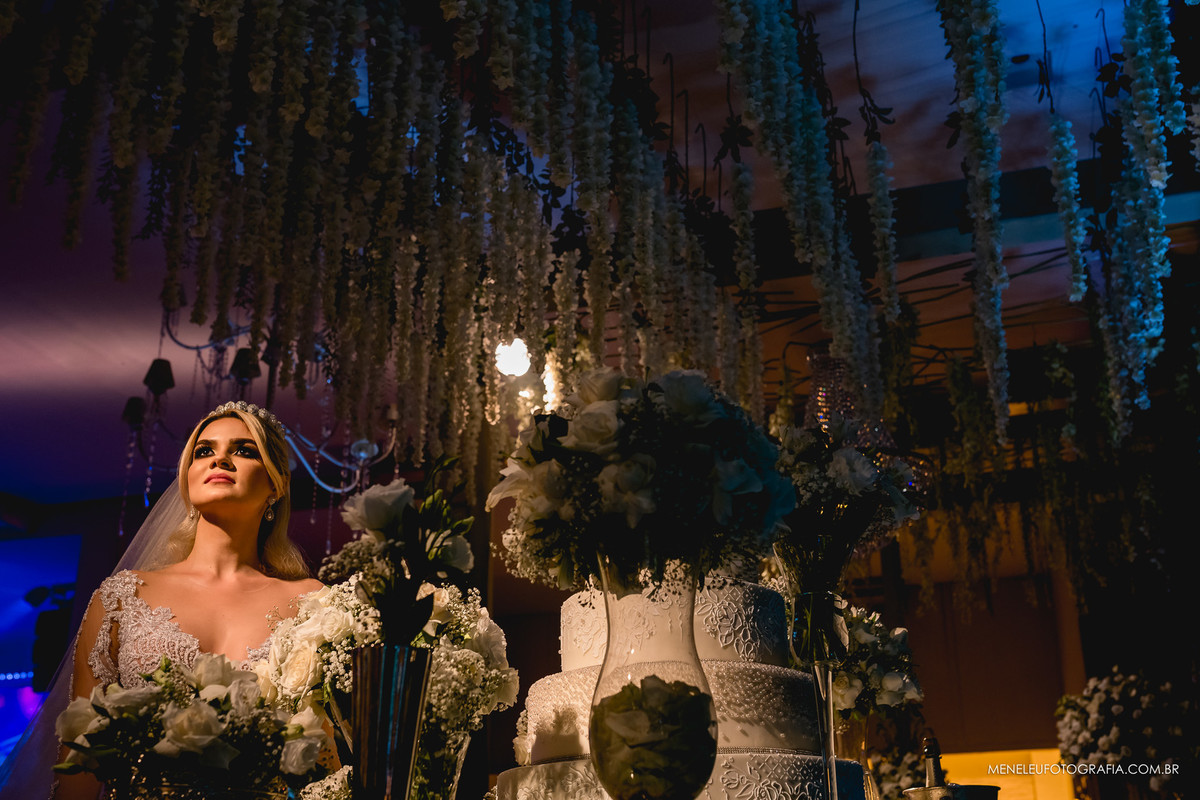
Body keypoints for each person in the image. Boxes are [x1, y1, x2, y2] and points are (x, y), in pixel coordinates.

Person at [0, 401, 324, 800]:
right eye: (204, 451)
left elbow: (328, 764)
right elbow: (80, 766)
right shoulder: (123, 597)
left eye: (244, 449)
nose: (220, 457)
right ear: (188, 478)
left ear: (276, 485)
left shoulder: (312, 604)